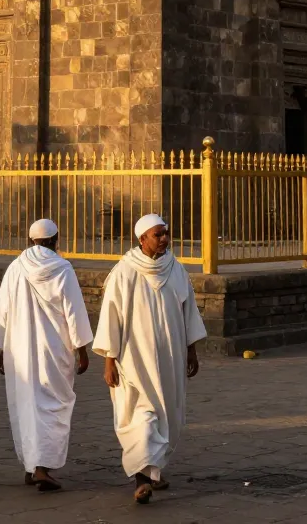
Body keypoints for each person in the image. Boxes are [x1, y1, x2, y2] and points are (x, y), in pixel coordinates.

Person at [93, 214, 207, 505]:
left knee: (167, 413)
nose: (165, 239)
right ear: (142, 239)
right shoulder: (124, 273)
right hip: (133, 358)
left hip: (170, 357)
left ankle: (154, 469)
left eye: (166, 233)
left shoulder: (176, 270)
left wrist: (191, 349)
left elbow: (188, 311)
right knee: (141, 414)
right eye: (158, 235)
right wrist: (109, 358)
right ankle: (142, 480)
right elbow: (111, 317)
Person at [0, 219, 93, 492]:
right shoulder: (62, 268)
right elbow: (73, 311)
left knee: (27, 404)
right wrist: (81, 348)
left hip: (20, 349)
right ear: (55, 239)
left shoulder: (15, 268)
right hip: (54, 350)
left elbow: (3, 312)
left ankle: (33, 465)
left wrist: (2, 348)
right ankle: (40, 468)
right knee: (52, 405)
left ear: (30, 240)